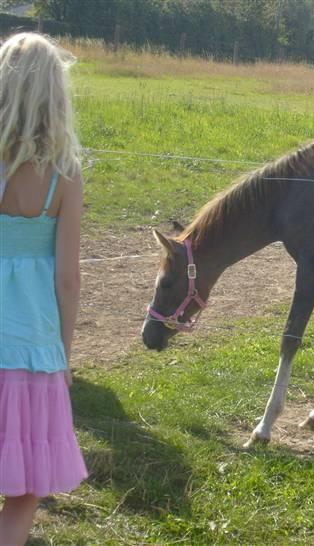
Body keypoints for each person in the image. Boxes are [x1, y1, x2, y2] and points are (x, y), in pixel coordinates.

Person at [0, 33, 87, 544]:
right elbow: (68, 277)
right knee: (26, 488)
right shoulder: (65, 175)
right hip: (33, 349)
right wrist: (65, 354)